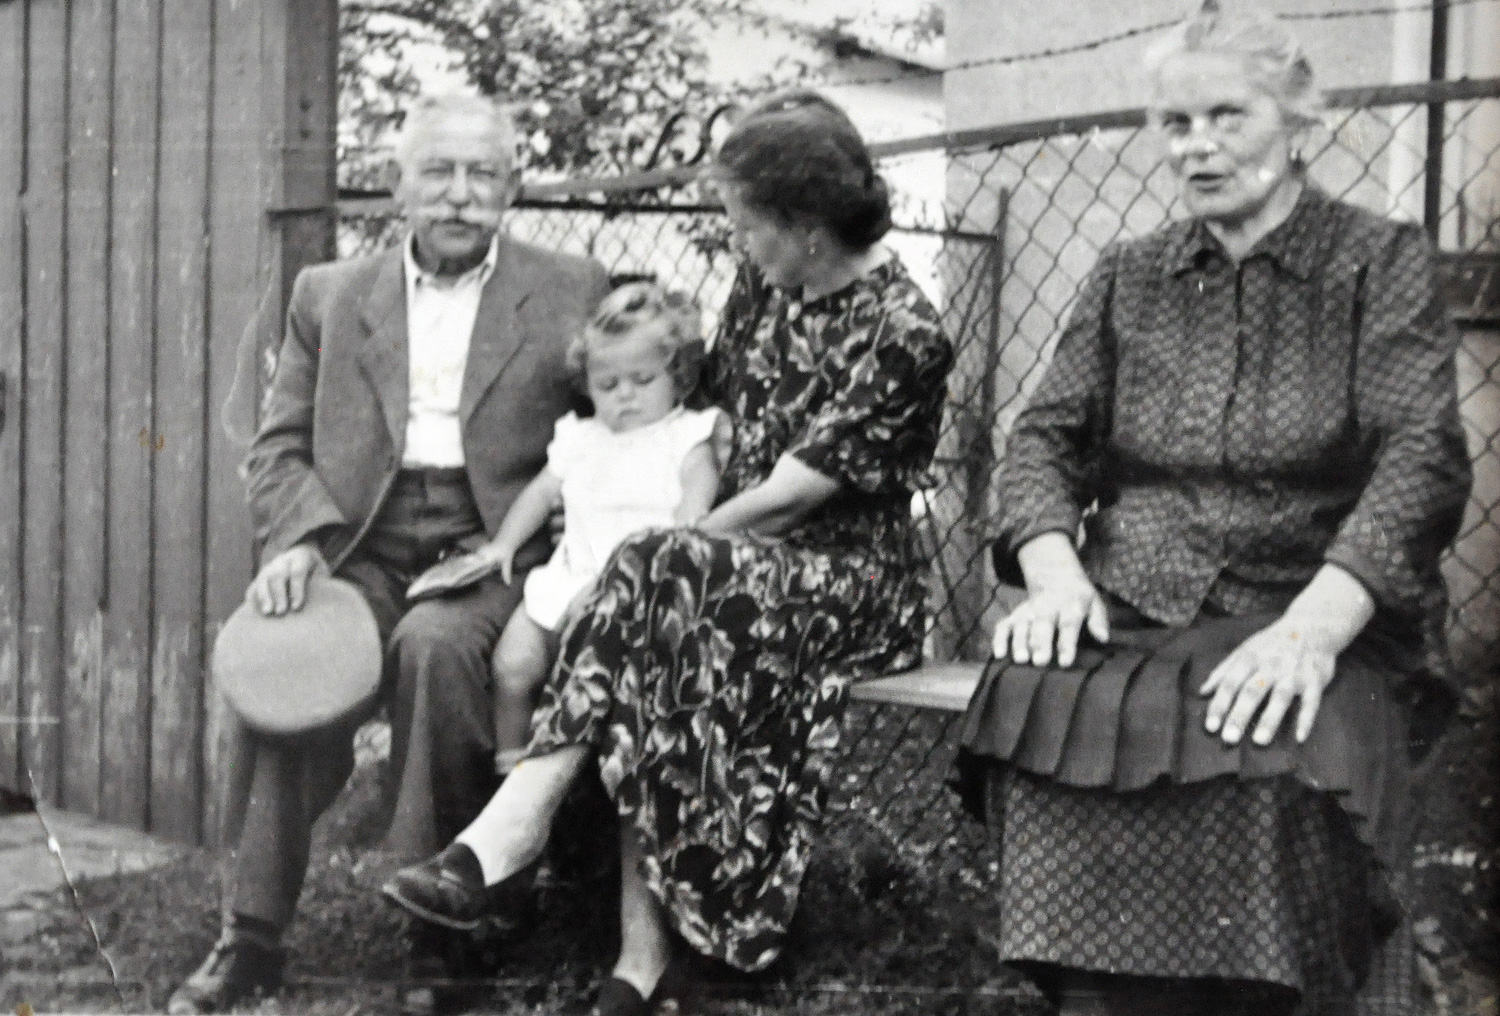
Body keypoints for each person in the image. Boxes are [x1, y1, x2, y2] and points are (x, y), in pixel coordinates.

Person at [382, 90, 954, 1015]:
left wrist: (656, 551)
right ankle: (636, 958)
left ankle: (517, 836)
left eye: (748, 225)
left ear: (805, 226)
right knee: (660, 608)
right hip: (720, 565)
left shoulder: (905, 331)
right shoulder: (770, 286)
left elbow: (789, 498)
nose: (738, 243)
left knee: (657, 574)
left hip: (847, 579)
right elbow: (702, 415)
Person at [956, 5, 1472, 1015]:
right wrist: (1054, 575)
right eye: (1176, 123)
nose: (1197, 145)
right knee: (1040, 708)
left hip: (1311, 601)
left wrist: (1313, 632)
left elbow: (1423, 453)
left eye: (1227, 116)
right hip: (1135, 604)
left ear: (1299, 119)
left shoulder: (1377, 260)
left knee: (1275, 750)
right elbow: (1044, 437)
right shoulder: (1129, 275)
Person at [168, 93, 610, 1014]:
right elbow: (278, 445)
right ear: (398, 185)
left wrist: (560, 530)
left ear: (513, 187)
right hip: (359, 538)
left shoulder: (574, 289)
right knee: (289, 655)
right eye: (437, 173)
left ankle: (437, 937)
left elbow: (615, 431)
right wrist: (297, 541)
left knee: (435, 650)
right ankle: (250, 936)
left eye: (482, 174)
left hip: (490, 545)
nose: (459, 194)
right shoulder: (329, 294)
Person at [404, 281, 722, 780]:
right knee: (512, 667)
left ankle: (590, 783)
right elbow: (539, 493)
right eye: (608, 385)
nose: (625, 396)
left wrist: (688, 522)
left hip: (638, 589)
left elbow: (694, 507)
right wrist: (504, 545)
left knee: (610, 692)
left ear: (678, 376)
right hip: (568, 577)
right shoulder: (579, 437)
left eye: (642, 380)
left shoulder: (687, 435)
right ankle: (512, 778)